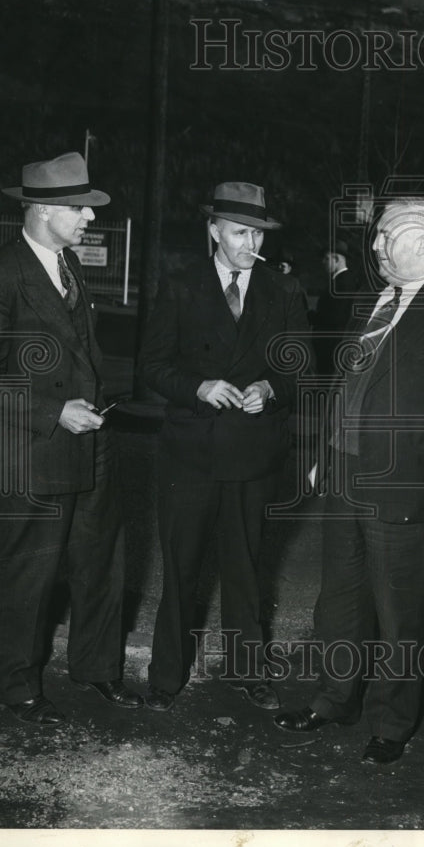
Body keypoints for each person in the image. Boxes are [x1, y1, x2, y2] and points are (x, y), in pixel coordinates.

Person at [274, 197, 424, 764]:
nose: (373, 246)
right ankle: (333, 700)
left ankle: (391, 724)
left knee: (400, 614)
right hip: (346, 474)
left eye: (384, 237)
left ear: (422, 242)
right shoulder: (376, 302)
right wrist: (328, 450)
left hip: (406, 489)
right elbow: (350, 383)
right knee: (339, 604)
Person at [0, 152, 142, 726]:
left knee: (101, 565)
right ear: (40, 212)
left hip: (90, 442)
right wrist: (51, 410)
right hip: (32, 448)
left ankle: (96, 668)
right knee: (27, 571)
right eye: (78, 208)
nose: (89, 217)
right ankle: (14, 684)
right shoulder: (2, 271)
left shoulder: (69, 265)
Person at [139, 182, 309, 713]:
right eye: (238, 232)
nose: (248, 243)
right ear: (213, 230)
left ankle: (248, 670)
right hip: (189, 453)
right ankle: (167, 675)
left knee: (245, 567)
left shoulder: (283, 291)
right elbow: (152, 367)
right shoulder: (180, 284)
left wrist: (270, 389)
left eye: (256, 233)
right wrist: (199, 387)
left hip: (253, 454)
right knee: (181, 566)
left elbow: (301, 364)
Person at [311, 239, 360, 374]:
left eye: (327, 259)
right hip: (334, 345)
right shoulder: (344, 281)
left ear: (337, 259)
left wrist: (312, 317)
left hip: (331, 346)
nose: (323, 262)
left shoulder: (342, 284)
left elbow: (335, 318)